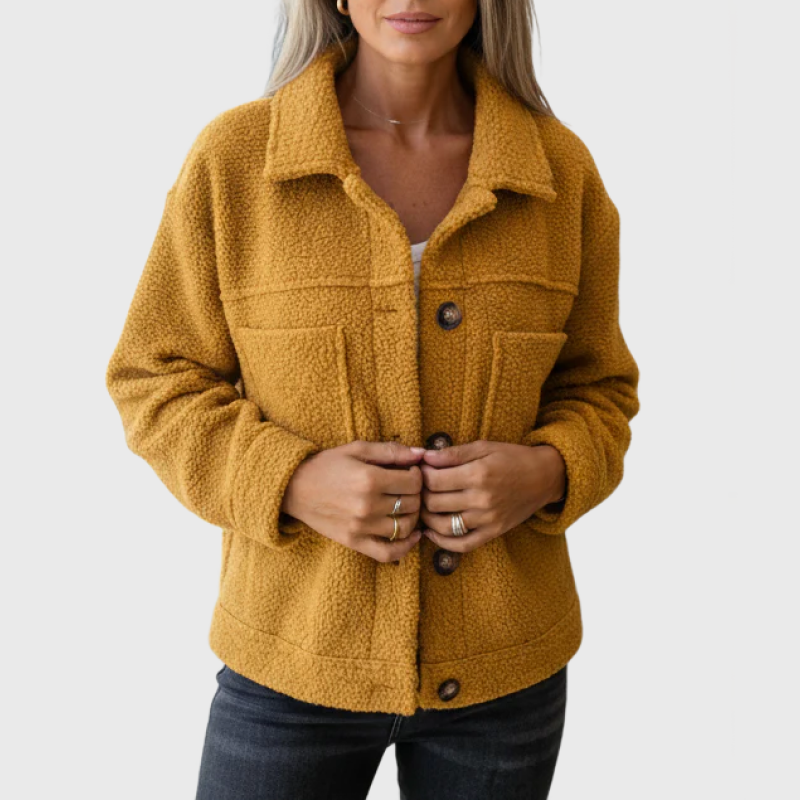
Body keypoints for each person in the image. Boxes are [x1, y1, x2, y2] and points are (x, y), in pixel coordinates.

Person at [105, 1, 640, 797]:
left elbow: (599, 388)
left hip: (506, 675)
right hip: (290, 662)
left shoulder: (559, 172)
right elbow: (154, 376)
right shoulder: (238, 160)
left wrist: (547, 470)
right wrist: (288, 481)